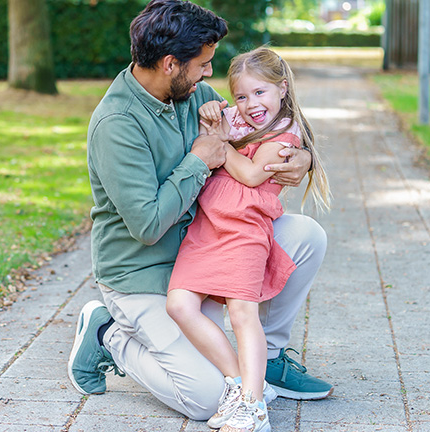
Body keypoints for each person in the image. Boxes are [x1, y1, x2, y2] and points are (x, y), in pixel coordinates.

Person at [67, 0, 332, 422]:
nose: (210, 74)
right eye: (203, 64)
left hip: (205, 253)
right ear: (171, 64)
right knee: (210, 398)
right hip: (145, 275)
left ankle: (272, 357)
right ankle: (109, 334)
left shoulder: (195, 96)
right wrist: (199, 159)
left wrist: (302, 159)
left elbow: (264, 126)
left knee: (306, 237)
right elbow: (148, 225)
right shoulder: (117, 124)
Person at [166, 47, 331, 431]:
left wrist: (220, 147)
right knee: (179, 304)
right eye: (242, 95)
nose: (250, 104)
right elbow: (214, 116)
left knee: (243, 313)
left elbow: (255, 175)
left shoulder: (285, 131)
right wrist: (213, 114)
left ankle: (253, 407)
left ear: (282, 89)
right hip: (207, 226)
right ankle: (242, 383)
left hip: (244, 227)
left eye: (260, 93)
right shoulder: (237, 117)